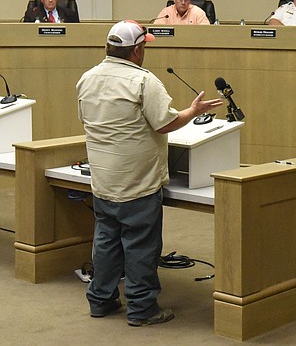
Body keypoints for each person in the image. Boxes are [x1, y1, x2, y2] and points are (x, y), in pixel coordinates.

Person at [76, 20, 222, 326]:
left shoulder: (86, 78)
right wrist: (193, 112)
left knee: (106, 241)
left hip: (102, 182)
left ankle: (100, 300)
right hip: (137, 183)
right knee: (141, 245)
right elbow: (164, 123)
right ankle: (142, 309)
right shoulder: (144, 82)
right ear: (137, 50)